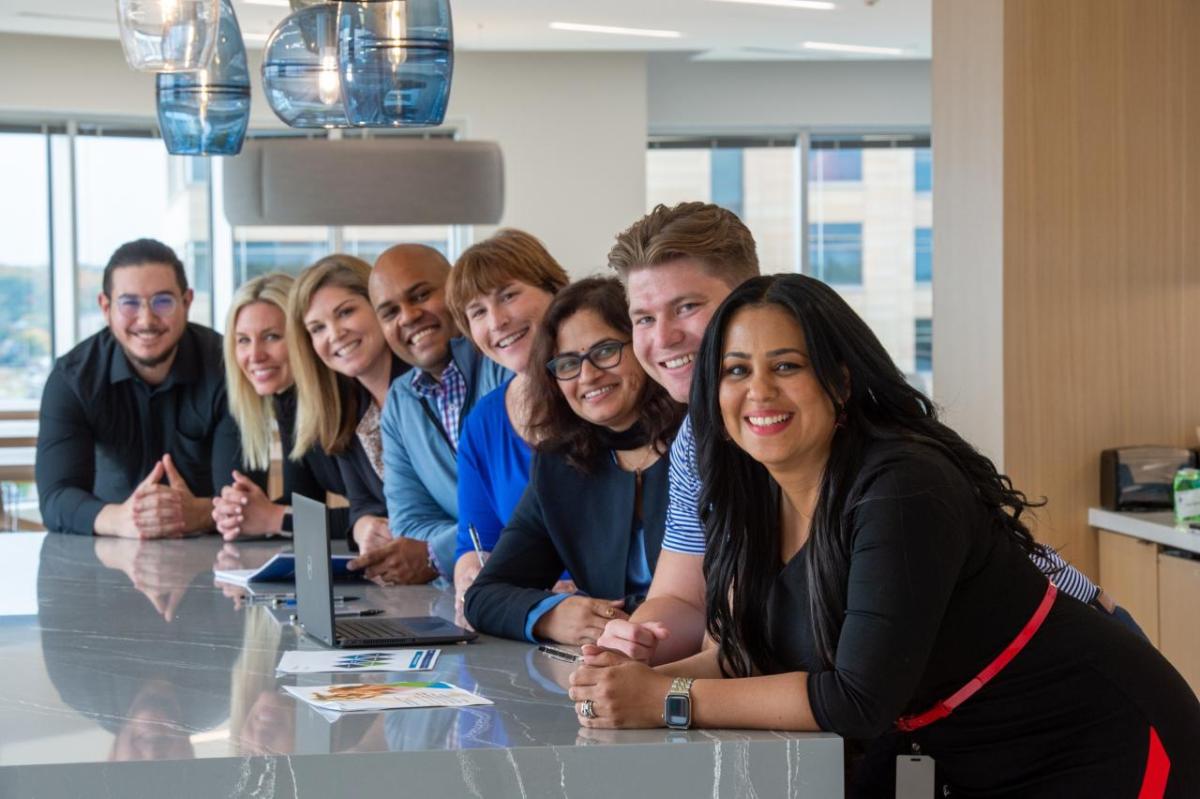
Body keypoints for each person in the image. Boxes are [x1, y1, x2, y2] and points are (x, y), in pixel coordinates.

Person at [569, 274, 1200, 796]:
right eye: (735, 371)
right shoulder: (752, 490)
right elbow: (759, 653)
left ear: (840, 382)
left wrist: (667, 698)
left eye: (786, 365)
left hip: (1097, 741)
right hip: (972, 755)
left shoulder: (902, 486)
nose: (758, 390)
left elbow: (856, 698)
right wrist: (634, 679)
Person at [596, 202, 1131, 666]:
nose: (663, 337)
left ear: (749, 299)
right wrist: (639, 640)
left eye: (687, 307)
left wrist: (673, 688)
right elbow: (684, 599)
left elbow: (852, 681)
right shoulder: (699, 438)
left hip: (1060, 647)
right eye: (643, 318)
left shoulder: (841, 423)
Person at [464, 277, 685, 645]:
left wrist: (618, 620)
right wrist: (551, 614)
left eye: (604, 352)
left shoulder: (700, 445)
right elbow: (484, 596)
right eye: (568, 363)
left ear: (643, 345)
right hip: (610, 668)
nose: (588, 375)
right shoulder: (558, 465)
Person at [36, 238, 255, 537]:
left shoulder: (229, 369)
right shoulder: (72, 379)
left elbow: (247, 497)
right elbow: (56, 499)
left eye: (162, 301)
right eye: (129, 303)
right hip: (109, 549)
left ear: (187, 302)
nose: (147, 319)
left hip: (214, 552)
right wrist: (123, 519)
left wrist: (200, 514)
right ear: (105, 306)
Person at [347, 245, 508, 585]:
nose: (407, 317)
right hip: (473, 588)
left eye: (420, 295)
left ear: (456, 291)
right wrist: (466, 551)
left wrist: (439, 554)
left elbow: (523, 504)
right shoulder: (400, 403)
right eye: (390, 313)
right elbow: (409, 522)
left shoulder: (505, 365)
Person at [444, 229, 571, 611]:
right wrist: (469, 577)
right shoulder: (484, 421)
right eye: (478, 311)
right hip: (534, 618)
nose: (496, 321)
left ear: (556, 291)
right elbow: (475, 545)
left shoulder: (599, 395)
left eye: (508, 295)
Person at [211, 273, 352, 539]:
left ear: (303, 337)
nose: (255, 355)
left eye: (272, 336)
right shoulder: (288, 400)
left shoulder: (345, 396)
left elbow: (379, 517)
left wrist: (274, 519)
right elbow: (303, 502)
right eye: (243, 340)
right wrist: (242, 511)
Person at [286, 254, 409, 559]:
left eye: (345, 312)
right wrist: (363, 527)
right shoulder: (347, 407)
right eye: (317, 328)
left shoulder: (424, 387)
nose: (335, 334)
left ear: (379, 305)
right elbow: (362, 505)